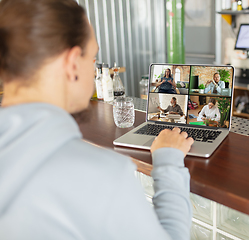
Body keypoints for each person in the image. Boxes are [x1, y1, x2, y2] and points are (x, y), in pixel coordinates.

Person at [0, 0, 194, 239]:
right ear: (72, 64)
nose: (94, 73)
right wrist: (169, 160)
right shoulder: (102, 175)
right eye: (93, 58)